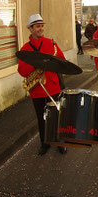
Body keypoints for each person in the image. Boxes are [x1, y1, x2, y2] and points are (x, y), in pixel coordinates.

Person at [18, 14, 67, 156]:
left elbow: (62, 60)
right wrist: (36, 65)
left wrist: (50, 64)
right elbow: (21, 71)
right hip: (37, 89)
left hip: (52, 86)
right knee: (41, 118)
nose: (40, 29)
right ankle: (44, 143)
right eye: (37, 26)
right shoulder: (25, 48)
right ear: (30, 29)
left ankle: (59, 142)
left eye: (41, 26)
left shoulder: (50, 43)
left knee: (56, 116)